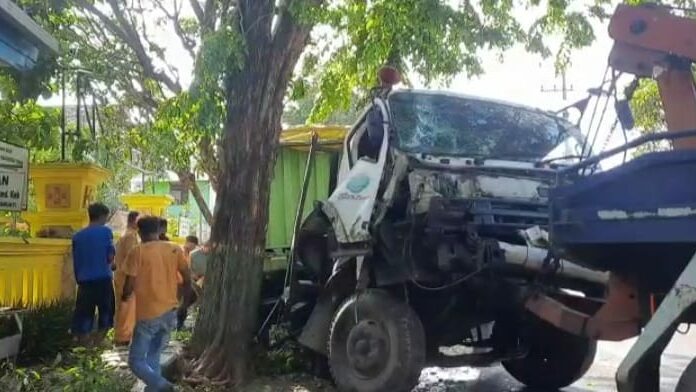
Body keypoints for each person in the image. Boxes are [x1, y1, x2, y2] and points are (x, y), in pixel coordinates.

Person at [122, 216, 192, 392]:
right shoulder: (174, 249)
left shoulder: (137, 252)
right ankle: (154, 388)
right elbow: (187, 276)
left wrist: (124, 296)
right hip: (170, 312)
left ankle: (164, 386)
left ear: (139, 232)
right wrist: (185, 300)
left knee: (135, 361)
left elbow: (129, 284)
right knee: (154, 355)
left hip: (148, 314)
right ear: (159, 231)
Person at [71, 202, 116, 347]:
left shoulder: (78, 236)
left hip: (84, 280)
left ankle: (84, 342)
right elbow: (110, 256)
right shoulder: (106, 232)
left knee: (84, 313)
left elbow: (76, 258)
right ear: (103, 216)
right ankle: (98, 341)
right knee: (106, 311)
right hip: (103, 278)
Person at [113, 211, 140, 346]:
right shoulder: (130, 237)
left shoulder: (129, 235)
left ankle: (123, 336)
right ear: (134, 221)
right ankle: (122, 338)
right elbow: (132, 259)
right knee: (125, 308)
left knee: (126, 308)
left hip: (123, 275)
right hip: (126, 277)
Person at [177, 235, 199, 330]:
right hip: (179, 281)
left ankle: (180, 322)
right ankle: (178, 322)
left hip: (186, 281)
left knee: (189, 299)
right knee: (184, 301)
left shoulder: (192, 254)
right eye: (193, 245)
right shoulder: (181, 252)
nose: (193, 248)